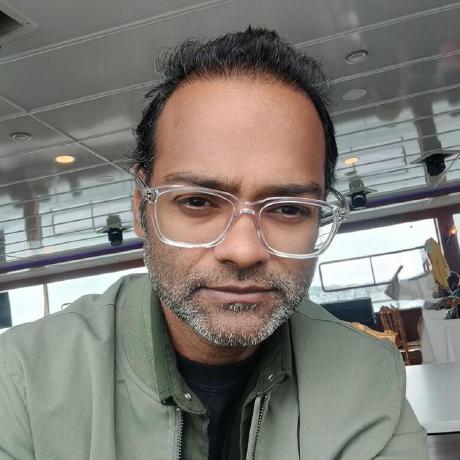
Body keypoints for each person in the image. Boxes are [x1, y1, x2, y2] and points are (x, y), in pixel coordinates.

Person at [0, 27, 428, 459]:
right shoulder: (22, 381)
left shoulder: (367, 376)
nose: (243, 251)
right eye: (198, 201)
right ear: (141, 208)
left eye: (287, 208)